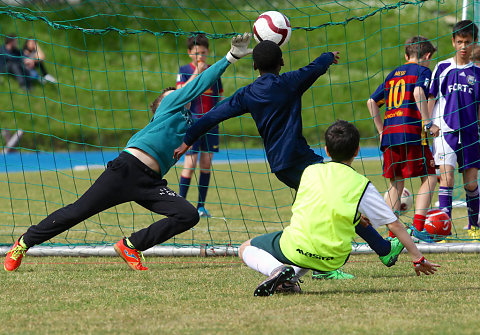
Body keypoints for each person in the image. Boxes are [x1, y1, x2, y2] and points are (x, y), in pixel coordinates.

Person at [4, 33, 253, 272]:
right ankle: (23, 243)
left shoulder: (190, 123)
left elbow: (220, 109)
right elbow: (198, 83)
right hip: (126, 170)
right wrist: (230, 57)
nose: (178, 96)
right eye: (172, 95)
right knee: (77, 211)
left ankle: (131, 245)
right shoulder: (169, 106)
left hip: (151, 183)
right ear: (162, 105)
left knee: (188, 215)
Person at [174, 40, 406, 280]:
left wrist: (187, 140)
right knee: (339, 203)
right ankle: (334, 264)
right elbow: (313, 69)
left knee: (334, 206)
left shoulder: (248, 94)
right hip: (301, 161)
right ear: (282, 62)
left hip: (280, 166)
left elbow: (213, 115)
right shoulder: (290, 82)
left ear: (254, 65)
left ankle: (383, 250)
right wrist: (328, 56)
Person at [238, 120, 440, 296]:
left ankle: (276, 269)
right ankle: (286, 281)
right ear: (357, 151)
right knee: (337, 227)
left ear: (326, 150)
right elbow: (394, 224)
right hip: (333, 259)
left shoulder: (310, 171)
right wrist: (417, 257)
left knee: (245, 247)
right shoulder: (361, 184)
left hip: (296, 248)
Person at [367, 36, 438, 240]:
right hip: (412, 133)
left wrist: (381, 131)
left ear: (406, 55)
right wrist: (428, 123)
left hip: (390, 134)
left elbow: (371, 101)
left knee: (396, 184)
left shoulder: (392, 75)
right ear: (426, 56)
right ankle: (417, 228)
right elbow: (418, 92)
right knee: (430, 177)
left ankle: (391, 234)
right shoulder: (423, 71)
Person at [428, 20, 480, 240]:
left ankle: (474, 226)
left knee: (470, 183)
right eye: (459, 42)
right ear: (453, 41)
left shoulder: (478, 73)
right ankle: (444, 228)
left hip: (470, 134)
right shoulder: (442, 68)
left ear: (474, 43)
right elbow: (431, 96)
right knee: (446, 179)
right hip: (445, 132)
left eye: (467, 42)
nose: (463, 47)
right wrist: (430, 123)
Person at [176, 34, 223, 218]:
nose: (200, 56)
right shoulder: (184, 70)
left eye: (203, 52)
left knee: (206, 163)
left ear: (208, 52)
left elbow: (219, 95)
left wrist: (218, 114)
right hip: (191, 123)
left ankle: (201, 207)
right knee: (190, 162)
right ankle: (180, 204)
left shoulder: (213, 70)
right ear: (190, 53)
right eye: (197, 53)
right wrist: (198, 72)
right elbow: (181, 93)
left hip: (210, 123)